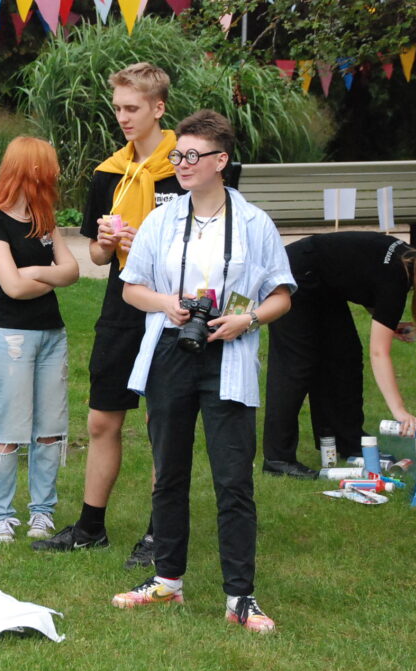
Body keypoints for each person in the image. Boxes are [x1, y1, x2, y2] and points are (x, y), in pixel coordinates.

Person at [112, 110, 295, 633]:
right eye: (178, 154)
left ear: (221, 160)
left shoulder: (254, 222)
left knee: (233, 479)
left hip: (228, 351)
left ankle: (240, 597)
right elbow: (132, 289)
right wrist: (166, 304)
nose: (182, 163)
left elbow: (282, 294)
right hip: (171, 348)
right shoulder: (162, 219)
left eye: (193, 155)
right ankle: (167, 580)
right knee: (168, 471)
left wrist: (247, 319)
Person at [33, 62, 184, 567]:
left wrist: (149, 247)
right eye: (117, 107)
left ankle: (160, 534)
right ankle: (90, 527)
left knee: (163, 422)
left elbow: (203, 248)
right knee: (102, 419)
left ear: (158, 108)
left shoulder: (184, 168)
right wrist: (104, 243)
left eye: (132, 108)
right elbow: (99, 258)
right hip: (121, 306)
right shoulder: (109, 172)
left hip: (169, 306)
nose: (123, 117)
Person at [263, 233, 416, 478]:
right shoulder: (397, 277)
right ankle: (278, 459)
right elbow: (379, 353)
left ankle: (347, 441)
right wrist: (400, 411)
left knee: (345, 356)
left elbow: (366, 279)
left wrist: (391, 326)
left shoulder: (409, 264)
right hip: (297, 273)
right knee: (296, 365)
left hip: (325, 283)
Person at [0, 136, 80, 543]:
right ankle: (1, 517)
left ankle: (42, 513)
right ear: (32, 169)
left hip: (52, 335)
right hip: (12, 339)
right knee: (9, 429)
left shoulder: (44, 218)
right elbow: (12, 288)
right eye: (50, 165)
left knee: (50, 429)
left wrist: (36, 273)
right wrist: (50, 276)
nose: (56, 172)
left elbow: (72, 271)